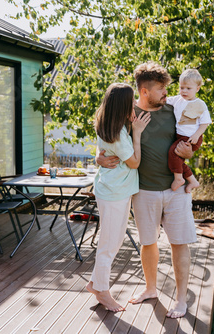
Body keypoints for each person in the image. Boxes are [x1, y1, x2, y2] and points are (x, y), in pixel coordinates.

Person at [96, 62, 196, 318]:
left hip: (177, 190)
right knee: (148, 243)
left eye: (166, 88)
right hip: (142, 191)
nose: (166, 93)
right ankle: (151, 289)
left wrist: (192, 151)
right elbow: (107, 137)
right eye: (161, 88)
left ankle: (182, 300)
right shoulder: (127, 115)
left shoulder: (175, 109)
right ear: (144, 91)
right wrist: (98, 158)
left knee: (179, 243)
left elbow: (193, 139)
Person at [86, 83, 151, 312]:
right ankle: (102, 291)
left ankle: (95, 283)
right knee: (109, 243)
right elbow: (134, 162)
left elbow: (101, 152)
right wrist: (138, 133)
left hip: (112, 189)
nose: (135, 104)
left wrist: (98, 158)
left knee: (112, 240)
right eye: (131, 101)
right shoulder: (118, 134)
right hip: (114, 193)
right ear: (123, 105)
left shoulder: (106, 124)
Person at [167, 69, 212, 193]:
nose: (184, 91)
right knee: (178, 160)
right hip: (180, 136)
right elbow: (164, 100)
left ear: (197, 89)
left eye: (188, 88)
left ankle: (179, 179)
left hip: (191, 137)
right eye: (182, 88)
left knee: (173, 152)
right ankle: (192, 181)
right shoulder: (178, 100)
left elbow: (205, 122)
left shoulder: (200, 104)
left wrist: (197, 135)